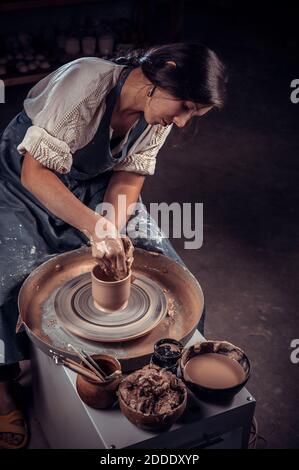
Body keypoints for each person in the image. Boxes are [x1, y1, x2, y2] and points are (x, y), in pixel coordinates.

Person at [0, 42, 226, 448]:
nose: (183, 122)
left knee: (168, 272)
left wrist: (110, 230)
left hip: (95, 187)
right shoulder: (86, 80)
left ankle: (158, 376)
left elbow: (128, 178)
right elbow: (37, 174)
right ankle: (1, 393)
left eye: (194, 113)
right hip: (24, 180)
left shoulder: (159, 115)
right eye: (187, 107)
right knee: (6, 281)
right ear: (165, 72)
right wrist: (94, 228)